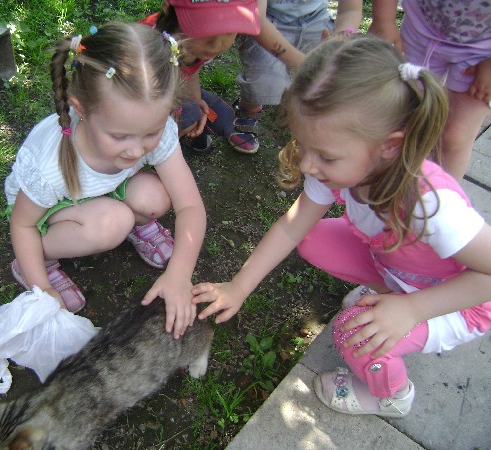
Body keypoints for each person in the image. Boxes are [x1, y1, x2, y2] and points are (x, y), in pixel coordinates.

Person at [192, 34, 491, 417]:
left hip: (458, 302)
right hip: (399, 268)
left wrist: (413, 309)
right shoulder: (344, 166)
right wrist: (239, 286)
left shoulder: (430, 204)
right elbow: (292, 227)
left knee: (353, 332)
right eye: (303, 145)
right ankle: (388, 292)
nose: (307, 165)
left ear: (388, 146)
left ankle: (391, 395)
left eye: (325, 156)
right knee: (312, 238)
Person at [4, 22, 206, 339]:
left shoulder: (152, 126)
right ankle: (36, 261)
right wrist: (42, 289)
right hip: (46, 211)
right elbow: (22, 224)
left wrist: (180, 274)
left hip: (102, 191)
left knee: (155, 197)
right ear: (81, 110)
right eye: (120, 136)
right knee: (113, 222)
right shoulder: (49, 165)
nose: (136, 150)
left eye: (151, 133)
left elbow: (190, 205)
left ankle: (134, 225)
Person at [369, 0, 491, 180]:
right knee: (400, 116)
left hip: (482, 51)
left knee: (456, 137)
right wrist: (383, 20)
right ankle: (387, 181)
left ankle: (442, 193)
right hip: (422, 28)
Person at [233, 0, 363, 148]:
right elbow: (257, 19)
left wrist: (339, 39)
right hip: (267, 20)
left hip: (317, 20)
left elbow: (350, 10)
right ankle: (248, 109)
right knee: (263, 81)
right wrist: (303, 63)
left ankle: (312, 126)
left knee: (328, 81)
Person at [140, 0, 262, 154]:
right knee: (189, 115)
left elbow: (190, 68)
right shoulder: (146, 47)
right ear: (169, 8)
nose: (215, 45)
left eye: (229, 32)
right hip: (141, 97)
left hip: (171, 86)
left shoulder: (194, 43)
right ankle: (154, 152)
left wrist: (195, 98)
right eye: (206, 28)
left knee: (223, 118)